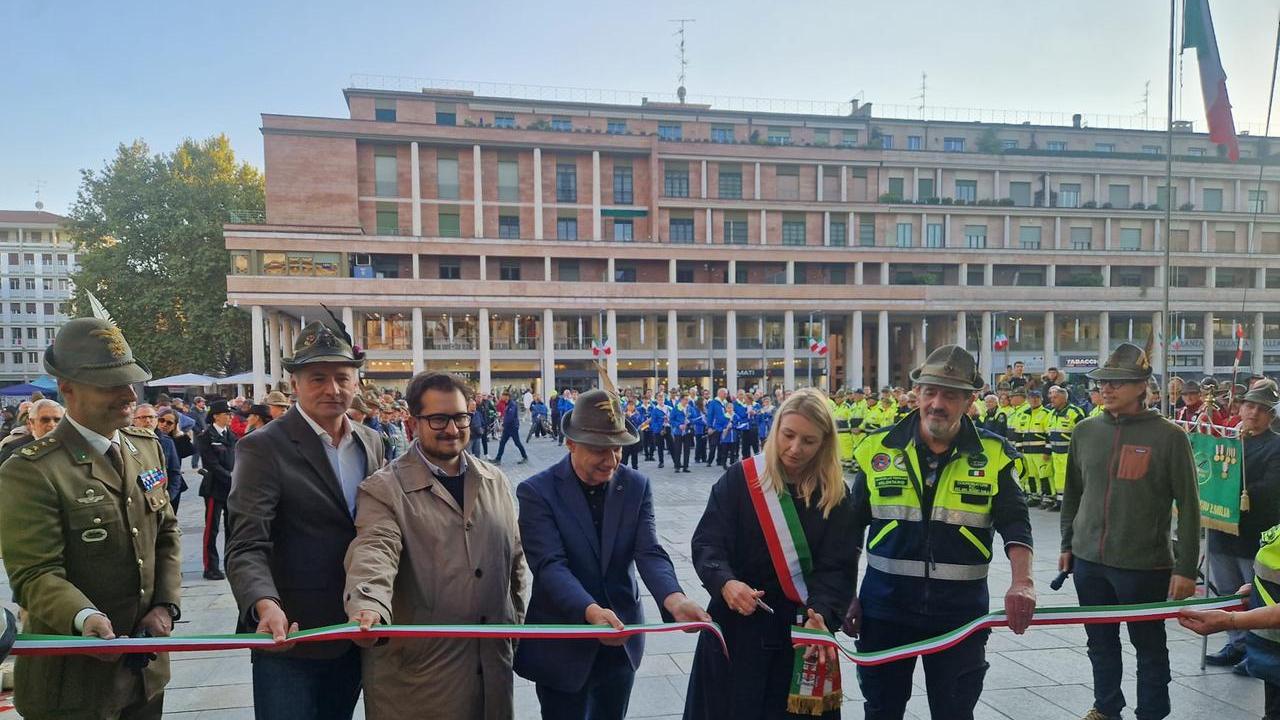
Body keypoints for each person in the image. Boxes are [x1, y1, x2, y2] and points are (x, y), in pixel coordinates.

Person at [0, 317, 181, 719]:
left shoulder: (144, 447)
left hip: (145, 673)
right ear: (66, 386)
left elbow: (165, 532)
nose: (128, 393)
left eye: (129, 380)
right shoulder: (31, 470)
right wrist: (86, 617)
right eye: (110, 384)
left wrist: (166, 605)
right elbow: (35, 574)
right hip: (74, 683)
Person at [844, 345, 1036, 720]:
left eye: (950, 394)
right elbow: (850, 529)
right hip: (884, 609)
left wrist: (1023, 582)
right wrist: (845, 593)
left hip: (959, 614)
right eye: (929, 391)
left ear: (969, 400)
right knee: (881, 710)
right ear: (916, 394)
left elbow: (1016, 523)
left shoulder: (996, 454)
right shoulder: (877, 448)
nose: (937, 403)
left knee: (954, 712)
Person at [226, 320, 386, 720]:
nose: (332, 389)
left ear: (356, 382)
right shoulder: (263, 447)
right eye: (318, 378)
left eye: (342, 377)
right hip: (289, 633)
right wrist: (264, 604)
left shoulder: (372, 442)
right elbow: (247, 543)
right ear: (294, 383)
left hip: (355, 629)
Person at [515, 388, 709, 719]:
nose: (611, 460)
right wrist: (590, 611)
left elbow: (649, 551)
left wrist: (674, 599)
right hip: (566, 642)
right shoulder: (537, 491)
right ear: (571, 443)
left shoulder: (635, 485)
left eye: (617, 448)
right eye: (599, 450)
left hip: (620, 641)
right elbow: (550, 567)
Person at [346, 372, 527, 719]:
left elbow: (514, 562)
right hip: (421, 679)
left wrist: (513, 628)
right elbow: (374, 550)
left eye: (460, 417)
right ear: (413, 423)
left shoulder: (495, 481)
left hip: (492, 669)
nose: (452, 428)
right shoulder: (384, 489)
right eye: (438, 419)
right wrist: (368, 605)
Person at [684, 388, 857, 719]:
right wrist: (725, 583)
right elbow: (708, 543)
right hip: (738, 630)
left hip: (803, 632)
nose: (795, 448)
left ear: (824, 442)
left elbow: (839, 566)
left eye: (808, 441)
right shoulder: (741, 478)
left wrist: (821, 613)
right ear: (775, 428)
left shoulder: (836, 494)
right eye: (788, 435)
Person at [1060, 342, 1200, 720]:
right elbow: (1073, 492)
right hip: (1089, 560)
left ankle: (1152, 712)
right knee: (1099, 641)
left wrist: (1186, 568)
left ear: (1142, 386)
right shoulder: (1085, 431)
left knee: (1149, 644)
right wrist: (1067, 543)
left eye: (1117, 383)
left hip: (1144, 564)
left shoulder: (1169, 436)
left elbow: (1190, 506)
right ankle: (1106, 706)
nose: (1106, 389)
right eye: (1103, 382)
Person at [1202, 380, 1280, 671]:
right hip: (1223, 530)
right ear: (1240, 408)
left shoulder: (1276, 445)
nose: (1254, 413)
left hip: (1255, 534)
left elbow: (1271, 488)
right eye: (1249, 406)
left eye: (1262, 409)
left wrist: (1228, 492)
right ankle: (1236, 643)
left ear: (1270, 415)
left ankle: (1255, 650)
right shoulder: (1230, 440)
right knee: (1227, 591)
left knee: (1258, 595)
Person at [197, 400, 236, 581]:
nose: (230, 417)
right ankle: (210, 567)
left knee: (232, 527)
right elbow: (211, 464)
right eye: (226, 414)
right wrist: (230, 477)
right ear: (216, 416)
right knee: (211, 529)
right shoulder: (206, 436)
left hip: (231, 488)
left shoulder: (231, 435)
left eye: (230, 414)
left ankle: (231, 563)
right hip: (214, 487)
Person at [133, 403, 185, 510]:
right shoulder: (125, 441)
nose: (148, 421)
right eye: (143, 417)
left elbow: (175, 472)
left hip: (161, 500)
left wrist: (169, 496)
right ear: (134, 420)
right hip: (136, 501)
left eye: (151, 417)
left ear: (156, 419)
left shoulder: (166, 442)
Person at [1045, 386, 1085, 512]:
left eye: (1055, 397)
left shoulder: (1074, 412)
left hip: (1069, 452)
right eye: (1051, 397)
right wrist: (1047, 450)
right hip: (1056, 452)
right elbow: (1049, 433)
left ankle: (1071, 502)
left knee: (1070, 478)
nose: (1052, 399)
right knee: (1058, 477)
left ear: (1064, 398)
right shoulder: (1051, 413)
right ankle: (1060, 501)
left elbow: (1082, 434)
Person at [0, 398, 63, 466]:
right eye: (45, 420)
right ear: (32, 422)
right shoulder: (14, 448)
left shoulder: (70, 446)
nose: (52, 424)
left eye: (57, 420)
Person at [492, 390, 529, 465]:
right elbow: (507, 416)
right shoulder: (508, 404)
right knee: (502, 442)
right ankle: (498, 459)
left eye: (503, 396)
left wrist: (503, 426)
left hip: (512, 428)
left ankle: (525, 457)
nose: (501, 397)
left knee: (517, 443)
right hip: (508, 428)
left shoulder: (512, 405)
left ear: (507, 397)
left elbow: (510, 417)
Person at [705, 388, 728, 468]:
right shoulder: (713, 403)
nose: (726, 395)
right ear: (720, 393)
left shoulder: (725, 403)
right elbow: (710, 415)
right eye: (724, 393)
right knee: (713, 445)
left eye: (726, 393)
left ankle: (720, 460)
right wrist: (709, 427)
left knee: (721, 445)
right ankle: (709, 461)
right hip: (715, 427)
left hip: (723, 427)